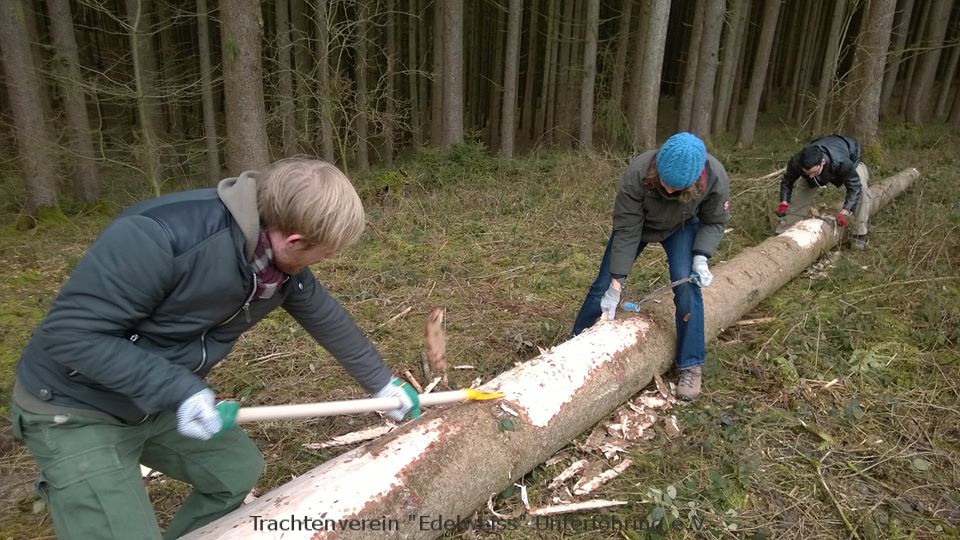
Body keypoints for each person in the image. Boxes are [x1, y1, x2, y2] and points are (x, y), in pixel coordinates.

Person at [9, 159, 421, 539]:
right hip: (76, 404)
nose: (323, 262)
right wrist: (179, 391)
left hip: (155, 398)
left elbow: (324, 315)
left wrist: (381, 384)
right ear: (294, 240)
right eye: (323, 254)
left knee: (234, 471)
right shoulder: (160, 237)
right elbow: (71, 336)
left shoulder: (275, 262)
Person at [572, 132, 731, 401]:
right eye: (664, 184)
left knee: (687, 288)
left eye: (676, 188)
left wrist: (701, 256)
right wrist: (615, 286)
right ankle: (576, 341)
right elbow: (626, 230)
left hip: (682, 227)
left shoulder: (714, 176)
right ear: (658, 166)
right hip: (639, 226)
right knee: (603, 284)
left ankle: (690, 364)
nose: (668, 191)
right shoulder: (638, 172)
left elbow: (714, 220)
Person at [775, 134, 872, 249]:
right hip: (823, 159)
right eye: (807, 173)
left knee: (862, 191)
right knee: (802, 194)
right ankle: (782, 232)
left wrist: (845, 211)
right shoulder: (797, 162)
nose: (811, 176)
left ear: (822, 162)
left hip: (850, 158)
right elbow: (787, 180)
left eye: (814, 172)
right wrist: (784, 202)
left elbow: (854, 187)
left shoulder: (842, 162)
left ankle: (859, 234)